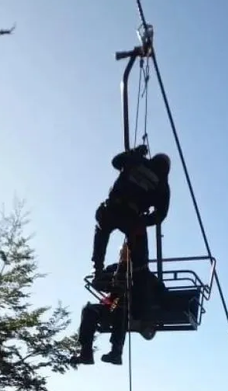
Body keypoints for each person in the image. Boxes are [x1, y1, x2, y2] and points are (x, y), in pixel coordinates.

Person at [72, 242, 164, 367]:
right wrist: (111, 285)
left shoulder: (142, 273)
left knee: (121, 307)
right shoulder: (114, 269)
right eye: (124, 253)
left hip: (134, 309)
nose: (126, 256)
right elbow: (97, 282)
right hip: (113, 305)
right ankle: (86, 352)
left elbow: (160, 290)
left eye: (129, 254)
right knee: (90, 310)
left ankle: (116, 352)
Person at [90, 145, 171, 279]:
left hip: (113, 209)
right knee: (140, 257)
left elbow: (116, 161)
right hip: (130, 217)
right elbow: (160, 215)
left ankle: (98, 270)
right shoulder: (162, 186)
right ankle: (136, 275)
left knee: (102, 229)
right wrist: (144, 221)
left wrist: (135, 152)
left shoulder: (139, 162)